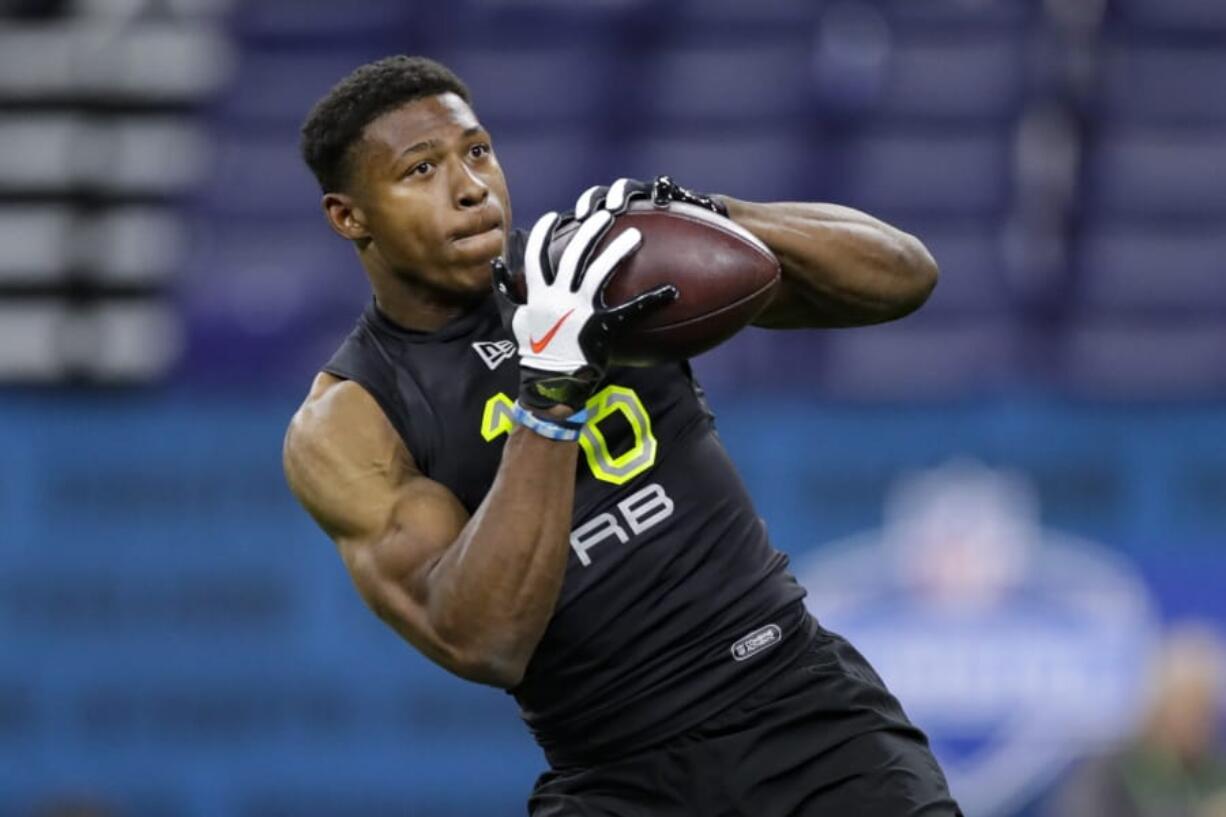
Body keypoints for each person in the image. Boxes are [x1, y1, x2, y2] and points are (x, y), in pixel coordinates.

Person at [283, 55, 960, 816]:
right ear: (350, 216)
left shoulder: (591, 266)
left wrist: (708, 215)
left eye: (477, 151)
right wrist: (549, 395)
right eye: (420, 170)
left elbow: (906, 277)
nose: (471, 187)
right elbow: (483, 639)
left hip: (800, 709)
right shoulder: (350, 420)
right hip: (617, 773)